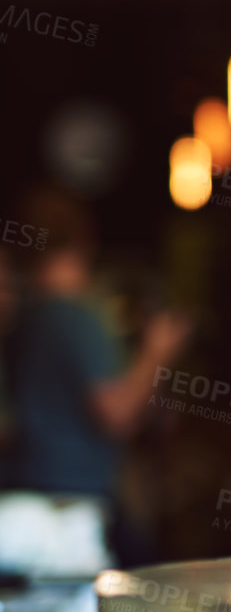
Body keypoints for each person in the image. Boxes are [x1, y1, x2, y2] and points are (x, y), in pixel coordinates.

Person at [4, 191, 192, 569]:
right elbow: (117, 414)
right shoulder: (78, 316)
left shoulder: (22, 316)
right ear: (84, 242)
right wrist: (157, 351)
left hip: (22, 497)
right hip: (73, 511)